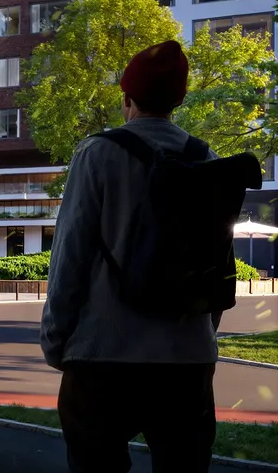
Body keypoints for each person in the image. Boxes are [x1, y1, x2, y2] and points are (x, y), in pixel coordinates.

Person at [41, 38, 258, 473]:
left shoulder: (97, 154)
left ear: (127, 98)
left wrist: (55, 339)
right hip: (187, 361)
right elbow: (218, 263)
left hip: (104, 356)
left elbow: (70, 256)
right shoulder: (207, 160)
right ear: (178, 99)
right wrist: (201, 334)